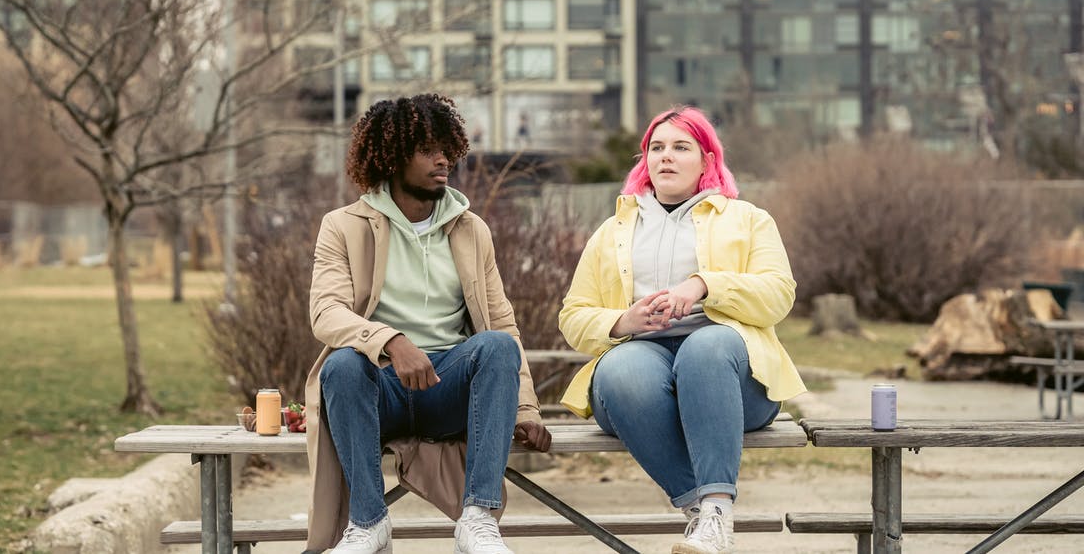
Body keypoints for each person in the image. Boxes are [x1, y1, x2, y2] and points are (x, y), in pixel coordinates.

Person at [305, 94, 552, 554]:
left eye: (448, 148)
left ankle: (477, 520)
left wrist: (525, 407)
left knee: (496, 344)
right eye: (428, 150)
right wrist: (392, 341)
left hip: (450, 389)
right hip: (381, 389)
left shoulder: (470, 229)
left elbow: (502, 323)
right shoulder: (343, 226)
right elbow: (326, 313)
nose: (445, 160)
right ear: (393, 157)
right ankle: (368, 524)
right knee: (340, 366)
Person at [557, 107, 806, 554]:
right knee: (619, 370)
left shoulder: (749, 219)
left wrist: (705, 285)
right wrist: (623, 321)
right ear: (644, 160)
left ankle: (714, 509)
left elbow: (777, 295)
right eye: (656, 147)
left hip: (732, 380)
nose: (665, 157)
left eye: (681, 147)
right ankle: (706, 513)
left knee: (705, 347)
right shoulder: (612, 230)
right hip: (641, 390)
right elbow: (573, 316)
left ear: (708, 161)